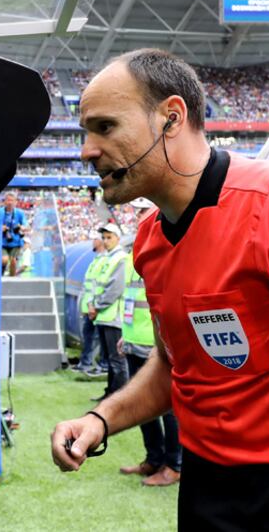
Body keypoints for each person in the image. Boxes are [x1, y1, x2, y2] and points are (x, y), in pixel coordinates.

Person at [51, 49, 269, 531]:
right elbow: (175, 368)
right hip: (206, 488)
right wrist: (100, 420)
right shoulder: (150, 240)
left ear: (170, 118)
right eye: (86, 132)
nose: (86, 150)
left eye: (105, 127)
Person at [117, 197, 181, 488]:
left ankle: (174, 464)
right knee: (143, 407)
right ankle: (154, 458)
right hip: (134, 339)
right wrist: (125, 334)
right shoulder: (138, 252)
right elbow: (132, 299)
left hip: (155, 347)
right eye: (135, 212)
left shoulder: (165, 248)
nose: (137, 216)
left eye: (142, 210)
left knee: (167, 408)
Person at [89, 222, 128, 400]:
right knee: (111, 360)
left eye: (109, 237)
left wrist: (97, 306)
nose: (105, 241)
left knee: (117, 360)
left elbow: (115, 289)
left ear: (118, 238)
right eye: (103, 237)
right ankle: (110, 393)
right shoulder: (108, 258)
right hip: (104, 315)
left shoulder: (120, 258)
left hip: (113, 316)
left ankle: (118, 399)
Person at [73, 237, 106, 374]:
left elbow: (99, 286)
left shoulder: (105, 260)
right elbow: (88, 286)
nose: (93, 241)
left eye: (95, 239)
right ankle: (85, 362)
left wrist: (95, 305)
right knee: (88, 336)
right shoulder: (96, 260)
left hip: (97, 307)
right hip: (89, 306)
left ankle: (102, 364)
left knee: (99, 337)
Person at [0, 193, 27, 277]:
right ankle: (0, 276)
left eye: (12, 200)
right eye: (8, 200)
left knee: (13, 261)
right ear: (4, 201)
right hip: (2, 242)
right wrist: (0, 228)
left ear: (15, 202)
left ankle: (12, 279)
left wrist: (22, 227)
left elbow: (25, 225)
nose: (10, 202)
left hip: (16, 242)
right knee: (4, 260)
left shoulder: (20, 213)